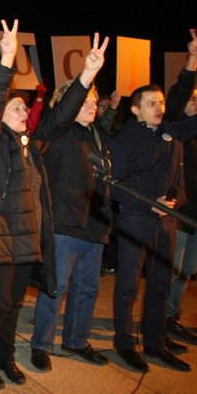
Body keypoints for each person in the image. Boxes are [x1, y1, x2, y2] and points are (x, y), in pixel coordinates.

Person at [0, 20, 107, 390]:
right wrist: (7, 61)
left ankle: (5, 356)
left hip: (27, 239)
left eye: (23, 107)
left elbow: (61, 117)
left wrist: (87, 75)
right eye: (15, 106)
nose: (21, 110)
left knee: (14, 304)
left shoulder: (34, 145)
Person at [110, 40, 197, 374]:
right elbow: (113, 185)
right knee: (128, 286)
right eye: (151, 103)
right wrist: (147, 203)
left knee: (161, 283)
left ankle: (156, 341)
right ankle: (125, 343)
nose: (159, 108)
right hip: (135, 218)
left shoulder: (173, 130)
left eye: (161, 103)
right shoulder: (125, 139)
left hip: (169, 221)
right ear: (136, 109)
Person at [29, 34, 112, 373]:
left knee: (87, 287)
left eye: (95, 100)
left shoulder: (97, 135)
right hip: (64, 221)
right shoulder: (56, 130)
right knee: (56, 287)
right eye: (87, 99)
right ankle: (41, 344)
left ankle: (77, 339)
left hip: (95, 222)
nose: (94, 104)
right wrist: (86, 75)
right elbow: (61, 113)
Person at [163, 31, 197, 346]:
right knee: (174, 269)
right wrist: (193, 60)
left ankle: (173, 315)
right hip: (180, 214)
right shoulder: (176, 130)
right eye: (194, 99)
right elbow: (177, 97)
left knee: (188, 271)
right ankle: (162, 319)